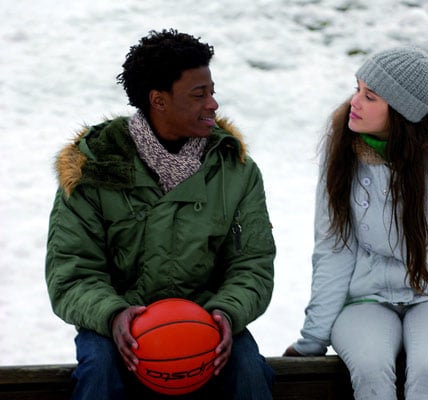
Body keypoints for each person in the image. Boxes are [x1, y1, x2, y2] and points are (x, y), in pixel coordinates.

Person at [45, 29, 276, 400]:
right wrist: (114, 315)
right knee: (99, 373)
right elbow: (71, 272)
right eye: (199, 95)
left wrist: (226, 313)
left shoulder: (236, 170)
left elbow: (253, 263)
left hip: (206, 325)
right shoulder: (92, 169)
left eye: (213, 91)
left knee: (249, 371)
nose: (213, 104)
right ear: (159, 100)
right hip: (116, 330)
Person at [284, 47, 428, 399]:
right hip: (365, 299)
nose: (354, 102)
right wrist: (312, 339)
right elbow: (334, 247)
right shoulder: (342, 146)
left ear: (403, 113)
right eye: (357, 88)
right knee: (371, 369)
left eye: (369, 96)